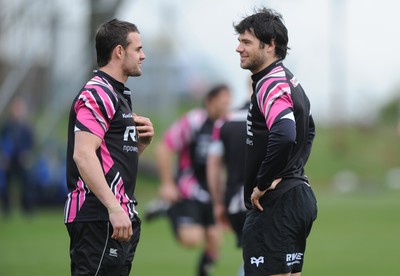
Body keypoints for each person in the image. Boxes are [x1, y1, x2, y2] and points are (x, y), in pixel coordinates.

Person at [64, 19, 154, 275]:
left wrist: (141, 144)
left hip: (116, 215)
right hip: (97, 213)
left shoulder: (118, 95)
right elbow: (83, 155)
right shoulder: (97, 92)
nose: (143, 55)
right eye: (138, 49)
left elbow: (111, 161)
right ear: (119, 51)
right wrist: (114, 207)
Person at [234, 8, 318, 276]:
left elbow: (284, 134)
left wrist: (263, 182)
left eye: (246, 42)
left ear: (270, 45)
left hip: (276, 203)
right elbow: (310, 130)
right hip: (294, 197)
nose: (238, 48)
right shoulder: (288, 80)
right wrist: (293, 171)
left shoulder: (271, 83)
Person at [155, 84, 231, 276]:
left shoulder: (228, 125)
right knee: (192, 239)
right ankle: (169, 207)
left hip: (211, 194)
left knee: (215, 240)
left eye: (228, 103)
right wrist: (167, 183)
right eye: (222, 103)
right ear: (209, 101)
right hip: (189, 190)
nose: (225, 107)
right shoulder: (194, 121)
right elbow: (164, 147)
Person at [207, 96, 249, 276]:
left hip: (235, 201)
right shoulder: (273, 115)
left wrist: (218, 203)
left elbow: (213, 166)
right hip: (268, 199)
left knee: (251, 255)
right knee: (265, 259)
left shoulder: (225, 122)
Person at [0, 96, 35, 217]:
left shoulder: (26, 127)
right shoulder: (7, 126)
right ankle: (6, 210)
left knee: (26, 184)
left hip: (22, 160)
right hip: (9, 160)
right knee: (5, 185)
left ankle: (27, 209)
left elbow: (31, 143)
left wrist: (27, 154)